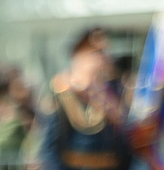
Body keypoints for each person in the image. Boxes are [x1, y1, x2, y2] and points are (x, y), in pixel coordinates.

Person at [41, 33, 131, 170]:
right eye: (95, 53)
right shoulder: (63, 93)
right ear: (79, 57)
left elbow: (122, 141)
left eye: (103, 53)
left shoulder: (110, 94)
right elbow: (49, 148)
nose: (103, 58)